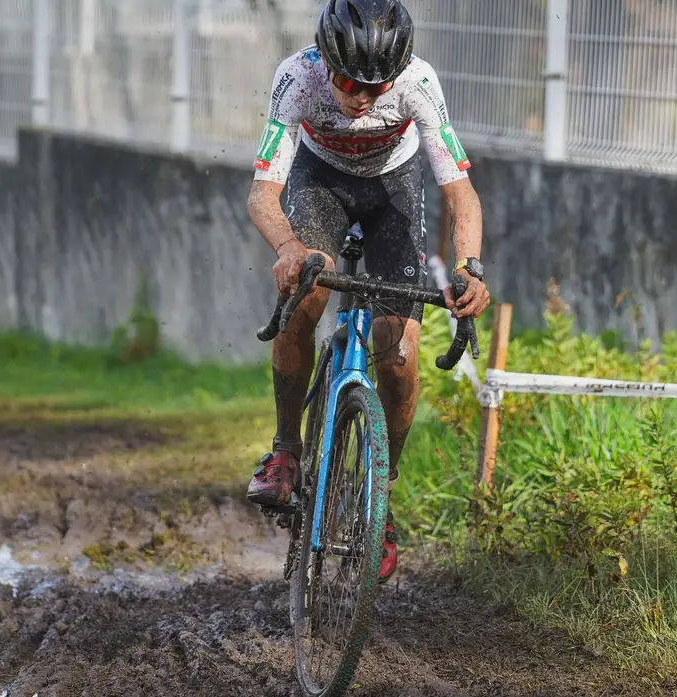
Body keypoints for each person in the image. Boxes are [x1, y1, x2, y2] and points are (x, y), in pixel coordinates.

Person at [244, 0, 490, 583]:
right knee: (307, 294)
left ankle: (379, 498)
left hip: (393, 191)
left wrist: (469, 268)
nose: (364, 97)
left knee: (399, 351)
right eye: (351, 82)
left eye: (378, 86)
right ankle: (285, 450)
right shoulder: (297, 77)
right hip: (319, 179)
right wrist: (287, 249)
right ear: (327, 61)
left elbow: (461, 193)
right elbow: (263, 194)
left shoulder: (419, 84)